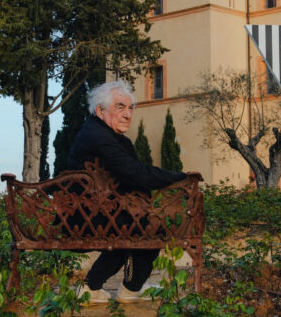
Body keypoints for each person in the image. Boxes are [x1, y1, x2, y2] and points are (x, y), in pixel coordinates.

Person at [68, 80, 191, 304]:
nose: (127, 114)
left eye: (130, 108)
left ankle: (95, 288)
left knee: (137, 225)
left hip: (93, 211)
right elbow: (137, 173)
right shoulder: (101, 137)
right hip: (88, 215)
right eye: (120, 107)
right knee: (148, 229)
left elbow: (132, 177)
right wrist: (180, 177)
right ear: (100, 111)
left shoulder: (101, 133)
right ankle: (126, 289)